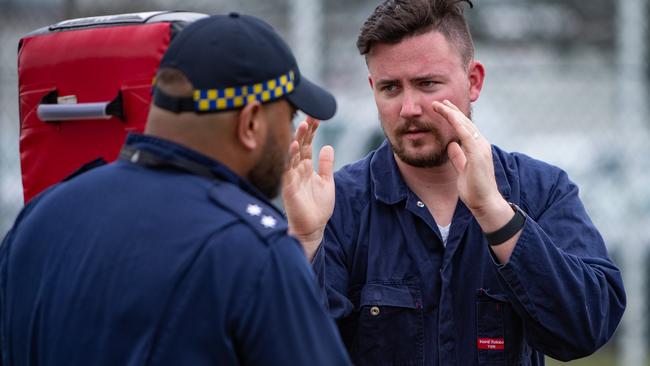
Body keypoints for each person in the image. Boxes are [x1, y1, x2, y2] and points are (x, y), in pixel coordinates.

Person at [281, 1, 626, 365]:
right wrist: (303, 244)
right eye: (390, 88)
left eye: (427, 84)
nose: (409, 108)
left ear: (473, 81)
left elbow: (585, 329)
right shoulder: (339, 204)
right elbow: (294, 350)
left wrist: (495, 214)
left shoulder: (540, 190)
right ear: (372, 88)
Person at [0, 13, 351, 366]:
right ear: (251, 123)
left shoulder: (39, 218)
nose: (291, 136)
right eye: (288, 118)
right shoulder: (253, 251)